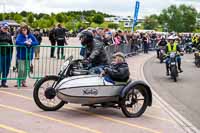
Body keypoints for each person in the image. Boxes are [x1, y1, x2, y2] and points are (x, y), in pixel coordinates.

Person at [0, 23, 13, 88]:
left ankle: (4, 82)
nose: (6, 29)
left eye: (7, 28)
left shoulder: (9, 34)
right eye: (4, 28)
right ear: (1, 27)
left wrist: (11, 53)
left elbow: (11, 43)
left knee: (6, 68)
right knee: (0, 68)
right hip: (1, 53)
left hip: (8, 53)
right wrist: (5, 43)